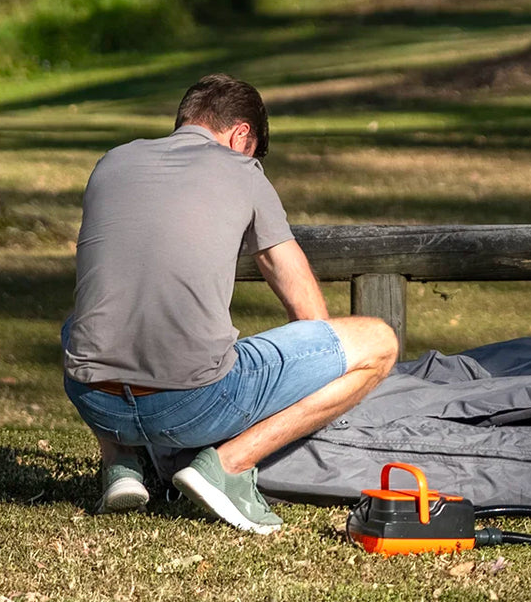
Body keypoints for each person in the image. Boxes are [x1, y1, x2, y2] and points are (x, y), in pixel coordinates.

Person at [61, 73, 398, 534]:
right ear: (242, 135)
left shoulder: (112, 161)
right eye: (254, 149)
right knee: (378, 342)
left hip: (95, 400)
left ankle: (121, 465)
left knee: (85, 321)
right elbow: (301, 302)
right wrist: (319, 363)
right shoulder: (242, 170)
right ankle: (226, 467)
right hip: (190, 407)